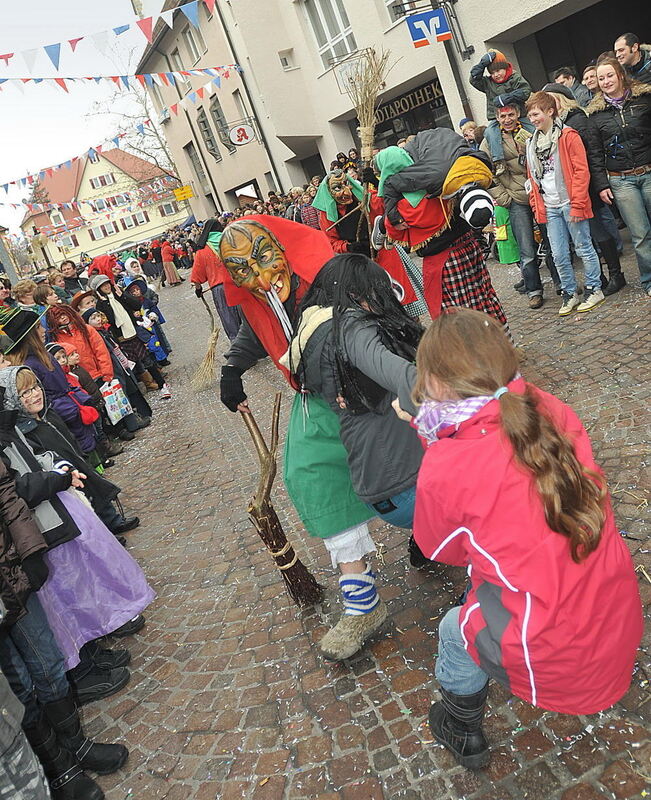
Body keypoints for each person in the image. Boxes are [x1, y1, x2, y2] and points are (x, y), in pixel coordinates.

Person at [406, 308, 642, 770]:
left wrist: (434, 444)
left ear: (435, 384)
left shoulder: (449, 463)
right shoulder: (548, 408)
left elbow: (439, 548)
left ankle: (462, 730)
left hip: (552, 650)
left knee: (455, 630)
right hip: (613, 612)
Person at [216, 217, 387, 662]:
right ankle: (363, 605)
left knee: (410, 472)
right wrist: (232, 369)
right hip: (314, 397)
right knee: (312, 476)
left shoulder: (326, 278)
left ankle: (449, 541)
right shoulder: (257, 299)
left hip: (367, 387)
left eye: (263, 259)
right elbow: (257, 332)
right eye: (241, 270)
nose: (258, 277)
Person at [375, 131, 509, 330]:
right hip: (469, 247)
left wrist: (384, 220)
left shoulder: (409, 203)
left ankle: (479, 357)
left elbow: (395, 230)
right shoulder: (443, 180)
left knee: (457, 313)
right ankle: (504, 345)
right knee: (484, 298)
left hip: (445, 261)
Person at [542, 83, 626, 295]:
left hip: (587, 186)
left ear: (562, 99)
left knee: (598, 232)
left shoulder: (577, 120)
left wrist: (599, 185)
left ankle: (616, 275)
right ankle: (602, 277)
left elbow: (594, 155)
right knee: (587, 237)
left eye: (552, 99)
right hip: (571, 189)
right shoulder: (556, 125)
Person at [525, 91, 605, 314]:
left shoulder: (568, 136)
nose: (532, 119)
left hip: (570, 202)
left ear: (550, 111)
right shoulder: (531, 143)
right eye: (530, 115)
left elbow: (581, 171)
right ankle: (570, 293)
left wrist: (578, 203)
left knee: (584, 248)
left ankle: (594, 288)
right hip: (549, 206)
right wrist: (535, 205)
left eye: (535, 114)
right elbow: (532, 178)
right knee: (559, 254)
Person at [312, 168, 422, 316]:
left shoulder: (363, 196)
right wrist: (349, 247)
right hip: (359, 263)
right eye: (338, 187)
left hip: (384, 252)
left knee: (400, 294)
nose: (346, 190)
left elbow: (385, 203)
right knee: (375, 304)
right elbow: (331, 242)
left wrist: (376, 182)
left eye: (346, 183)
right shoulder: (327, 215)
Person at [586, 53, 651, 296]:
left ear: (620, 75)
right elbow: (594, 153)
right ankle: (649, 280)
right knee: (640, 234)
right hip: (620, 179)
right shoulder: (594, 115)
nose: (605, 81)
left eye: (609, 75)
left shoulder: (644, 99)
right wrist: (602, 184)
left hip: (649, 171)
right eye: (601, 78)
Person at [480, 105, 544, 308]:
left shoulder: (529, 130)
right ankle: (534, 290)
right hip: (514, 198)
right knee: (526, 248)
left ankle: (562, 284)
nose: (507, 119)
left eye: (511, 115)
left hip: (537, 192)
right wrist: (503, 197)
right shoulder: (490, 140)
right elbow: (486, 173)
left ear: (517, 114)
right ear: (497, 118)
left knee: (550, 243)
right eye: (503, 116)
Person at [90, 275, 171, 398]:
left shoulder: (119, 295)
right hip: (122, 339)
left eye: (107, 283)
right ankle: (138, 394)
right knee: (130, 366)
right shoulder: (101, 305)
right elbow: (110, 319)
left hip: (134, 333)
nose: (106, 286)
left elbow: (136, 305)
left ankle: (162, 384)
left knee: (147, 360)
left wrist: (122, 295)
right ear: (98, 289)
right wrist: (106, 302)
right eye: (103, 285)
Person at [469, 49, 533, 172]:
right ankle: (499, 161)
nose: (496, 75)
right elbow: (473, 80)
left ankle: (540, 147)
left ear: (505, 68)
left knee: (532, 128)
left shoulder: (514, 77)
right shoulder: (487, 83)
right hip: (496, 118)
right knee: (490, 133)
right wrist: (481, 65)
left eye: (498, 70)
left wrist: (509, 97)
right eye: (492, 72)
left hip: (519, 116)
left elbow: (525, 90)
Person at [191, 220, 241, 342]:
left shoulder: (202, 251)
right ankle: (258, 346)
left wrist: (198, 290)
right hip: (239, 283)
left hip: (220, 289)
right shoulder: (230, 241)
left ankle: (241, 350)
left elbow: (196, 277)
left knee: (229, 319)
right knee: (246, 315)